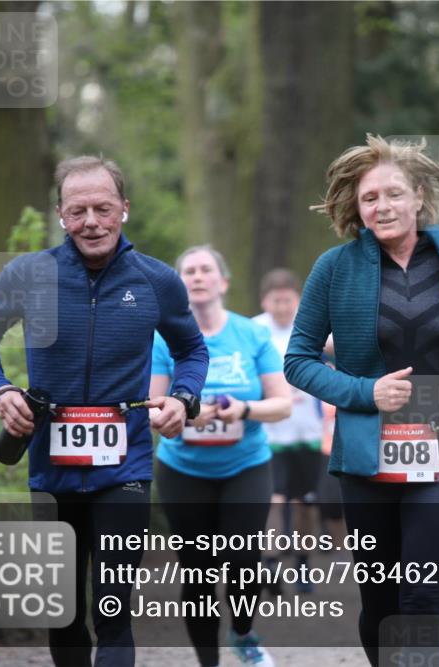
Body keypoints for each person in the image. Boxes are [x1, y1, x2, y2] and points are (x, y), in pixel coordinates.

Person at [0, 156, 209, 667]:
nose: (91, 221)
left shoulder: (157, 281)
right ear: (60, 215)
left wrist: (183, 399)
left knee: (113, 610)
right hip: (51, 469)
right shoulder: (29, 275)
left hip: (126, 468)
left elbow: (192, 350)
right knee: (64, 612)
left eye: (102, 208)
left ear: (125, 210)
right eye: (78, 211)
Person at [284, 134, 439, 667]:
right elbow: (299, 360)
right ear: (356, 208)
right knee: (381, 603)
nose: (383, 206)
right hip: (367, 450)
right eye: (370, 198)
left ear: (419, 196)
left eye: (394, 194)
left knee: (423, 595)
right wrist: (366, 391)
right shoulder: (334, 269)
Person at [151, 245, 291, 667]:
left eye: (205, 269)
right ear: (178, 285)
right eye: (188, 271)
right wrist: (187, 415)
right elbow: (153, 408)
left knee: (244, 560)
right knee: (198, 569)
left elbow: (282, 403)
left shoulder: (251, 334)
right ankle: (207, 660)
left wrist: (243, 409)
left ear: (223, 282)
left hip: (245, 464)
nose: (196, 276)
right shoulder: (164, 338)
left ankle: (243, 633)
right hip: (183, 469)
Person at [252, 268, 324, 593]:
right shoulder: (254, 331)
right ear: (265, 301)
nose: (282, 307)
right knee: (273, 499)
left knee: (303, 503)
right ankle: (270, 563)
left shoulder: (311, 328)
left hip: (308, 431)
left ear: (298, 300)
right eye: (276, 300)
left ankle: (303, 564)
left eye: (288, 300)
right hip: (270, 434)